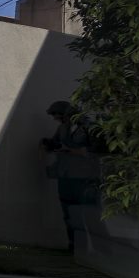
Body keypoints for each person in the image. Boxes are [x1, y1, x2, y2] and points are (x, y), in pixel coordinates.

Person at [41, 99, 102, 250]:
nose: (56, 120)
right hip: (66, 175)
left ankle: (98, 248)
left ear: (67, 115)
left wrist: (76, 151)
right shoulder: (62, 128)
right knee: (69, 213)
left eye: (58, 116)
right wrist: (49, 144)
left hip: (86, 177)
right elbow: (56, 142)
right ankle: (75, 246)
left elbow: (99, 150)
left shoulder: (89, 127)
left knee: (89, 213)